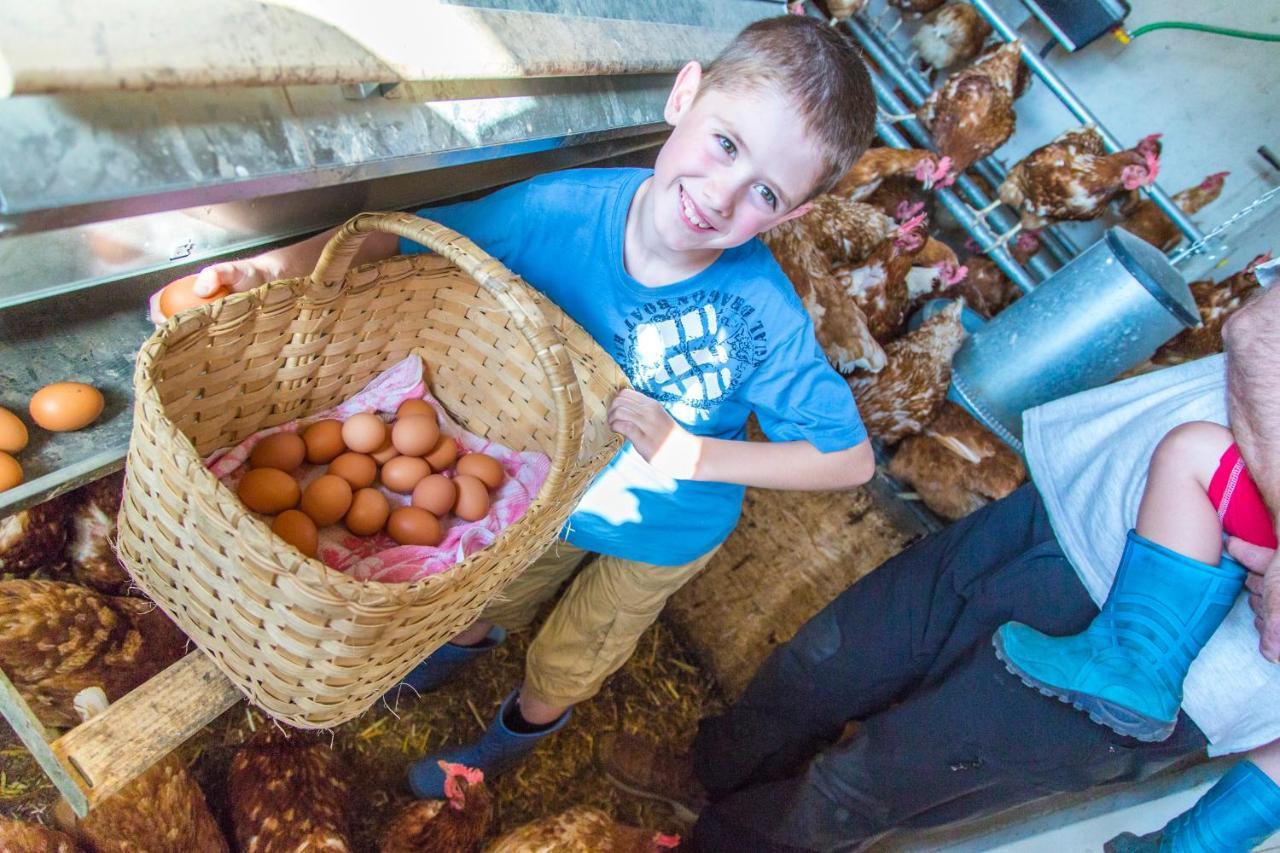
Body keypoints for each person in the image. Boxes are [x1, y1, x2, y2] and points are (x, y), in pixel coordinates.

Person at [190, 16, 879, 800]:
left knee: (570, 654)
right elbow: (418, 240)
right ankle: (441, 662)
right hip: (543, 487)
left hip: (664, 525)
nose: (722, 196)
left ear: (787, 216)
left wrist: (696, 456)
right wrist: (267, 267)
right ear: (684, 95)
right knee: (488, 597)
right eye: (725, 143)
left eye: (765, 192)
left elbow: (848, 458)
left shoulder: (763, 317)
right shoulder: (559, 209)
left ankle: (502, 742)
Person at [599, 283, 1280, 852]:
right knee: (820, 665)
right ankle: (706, 775)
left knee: (860, 787)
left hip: (1196, 677)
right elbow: (1263, 332)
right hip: (1090, 504)